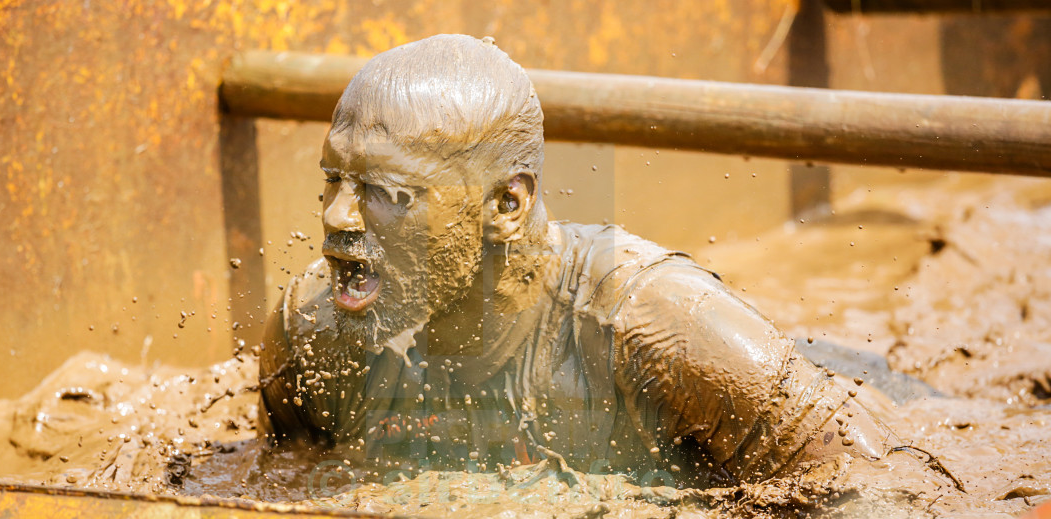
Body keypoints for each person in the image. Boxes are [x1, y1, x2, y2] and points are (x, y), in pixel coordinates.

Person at [257, 34, 942, 488]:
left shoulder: (663, 329)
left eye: (391, 193)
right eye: (333, 182)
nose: (337, 218)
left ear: (506, 205)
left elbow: (886, 487)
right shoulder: (312, 337)